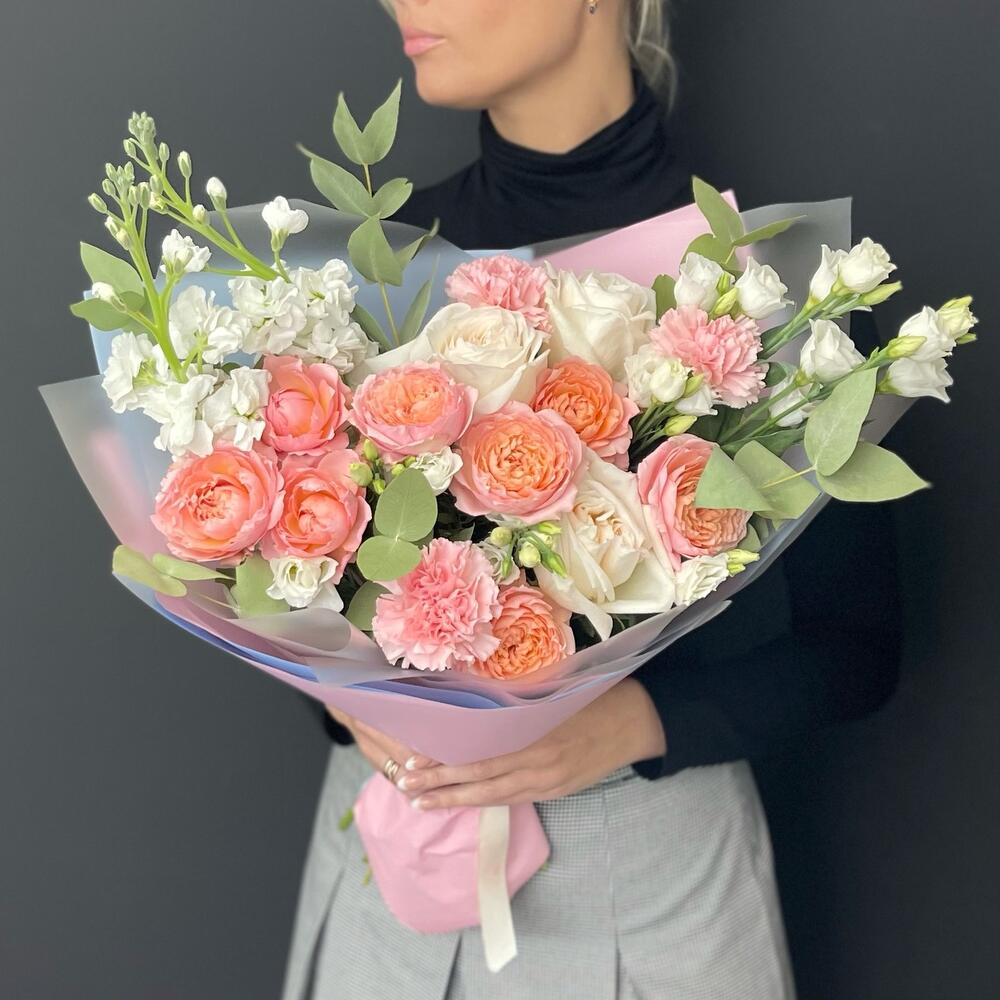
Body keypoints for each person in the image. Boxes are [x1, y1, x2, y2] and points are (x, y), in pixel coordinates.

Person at [282, 3, 901, 998]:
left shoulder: (767, 297)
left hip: (651, 882)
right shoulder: (368, 269)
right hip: (390, 861)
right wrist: (352, 703)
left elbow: (859, 647)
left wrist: (637, 723)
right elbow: (287, 571)